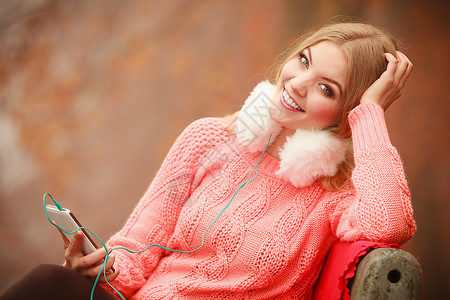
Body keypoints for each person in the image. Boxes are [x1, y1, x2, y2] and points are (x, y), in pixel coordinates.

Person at [1, 21, 416, 300]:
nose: (298, 83)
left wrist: (372, 113)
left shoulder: (336, 197)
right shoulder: (209, 138)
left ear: (348, 113)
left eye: (326, 89)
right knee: (49, 281)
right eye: (303, 61)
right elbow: (138, 247)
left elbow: (391, 223)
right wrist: (102, 265)